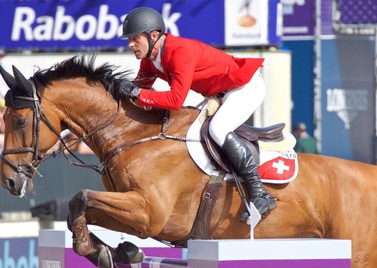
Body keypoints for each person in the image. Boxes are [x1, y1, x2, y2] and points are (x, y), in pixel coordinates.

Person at [116, 7, 276, 218]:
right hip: (218, 94)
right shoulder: (149, 59)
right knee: (186, 128)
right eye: (129, 40)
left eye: (135, 39)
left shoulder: (179, 51)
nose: (130, 45)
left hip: (244, 86)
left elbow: (174, 100)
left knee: (218, 129)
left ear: (153, 35)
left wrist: (138, 92)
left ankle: (259, 192)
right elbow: (139, 88)